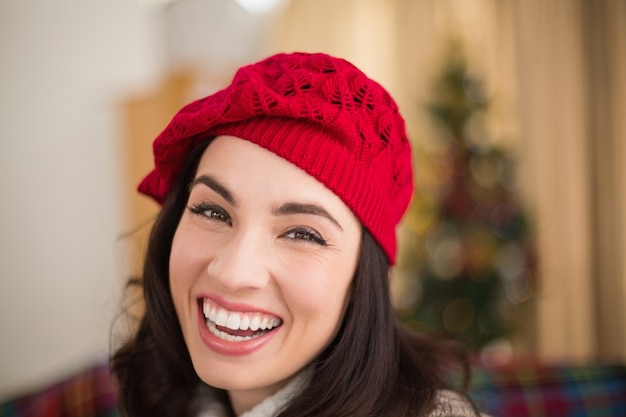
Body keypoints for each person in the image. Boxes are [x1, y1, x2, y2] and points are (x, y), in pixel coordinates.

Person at [111, 52, 485, 417]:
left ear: (363, 277)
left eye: (303, 234)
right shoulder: (171, 397)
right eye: (213, 212)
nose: (233, 272)